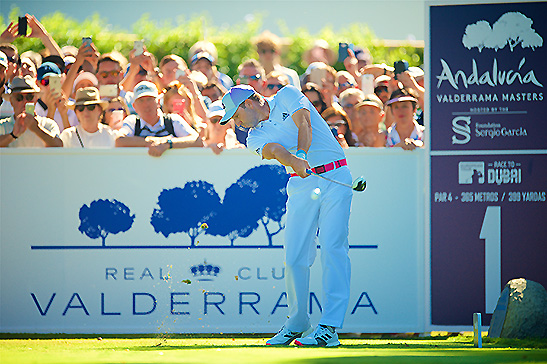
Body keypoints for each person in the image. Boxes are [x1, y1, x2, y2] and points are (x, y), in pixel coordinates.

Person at [219, 85, 352, 347]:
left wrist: (301, 154)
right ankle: (298, 321)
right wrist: (294, 160)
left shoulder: (287, 95)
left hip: (336, 176)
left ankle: (330, 327)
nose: (236, 122)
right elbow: (276, 152)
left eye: (236, 115)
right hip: (301, 185)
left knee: (333, 248)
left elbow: (304, 123)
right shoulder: (252, 137)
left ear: (248, 104)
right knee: (294, 257)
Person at [116, 81, 203, 157]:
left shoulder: (172, 120)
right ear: (134, 106)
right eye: (141, 100)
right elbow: (119, 140)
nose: (146, 104)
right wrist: (149, 141)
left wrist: (168, 143)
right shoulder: (132, 121)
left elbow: (197, 140)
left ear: (158, 102)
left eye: (150, 99)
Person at [0, 76, 62, 147]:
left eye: (29, 97)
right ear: (11, 101)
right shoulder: (3, 126)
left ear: (36, 99)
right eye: (19, 98)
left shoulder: (48, 124)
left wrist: (37, 129)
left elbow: (59, 146)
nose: (25, 102)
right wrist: (13, 135)